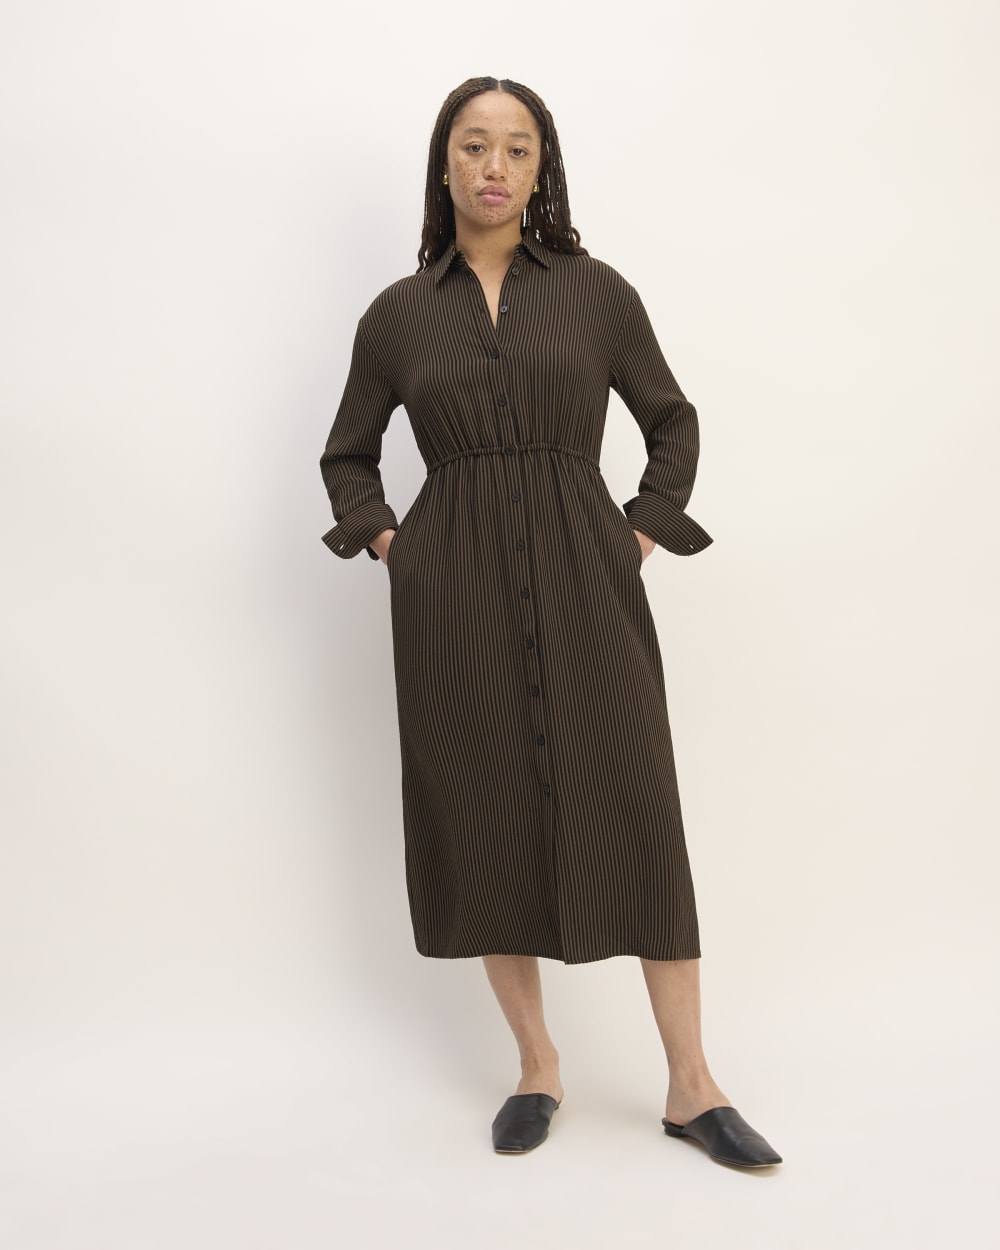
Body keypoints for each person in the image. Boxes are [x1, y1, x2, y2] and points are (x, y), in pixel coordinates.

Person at [319, 76, 781, 1168]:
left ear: (541, 168)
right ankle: (536, 1065)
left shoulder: (596, 293)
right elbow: (347, 454)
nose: (495, 166)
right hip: (453, 597)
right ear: (443, 164)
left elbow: (671, 421)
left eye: (516, 148)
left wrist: (636, 534)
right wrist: (395, 547)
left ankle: (691, 1085)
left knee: (639, 811)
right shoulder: (396, 316)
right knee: (484, 814)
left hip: (587, 579)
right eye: (474, 145)